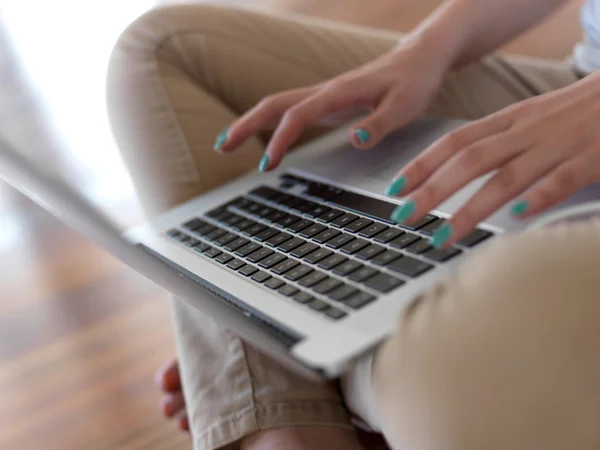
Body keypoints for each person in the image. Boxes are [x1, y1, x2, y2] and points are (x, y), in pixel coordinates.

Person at [106, 0, 600, 449]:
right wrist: (424, 50)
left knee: (454, 378)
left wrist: (235, 358)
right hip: (575, 89)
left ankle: (275, 383)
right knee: (165, 53)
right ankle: (294, 422)